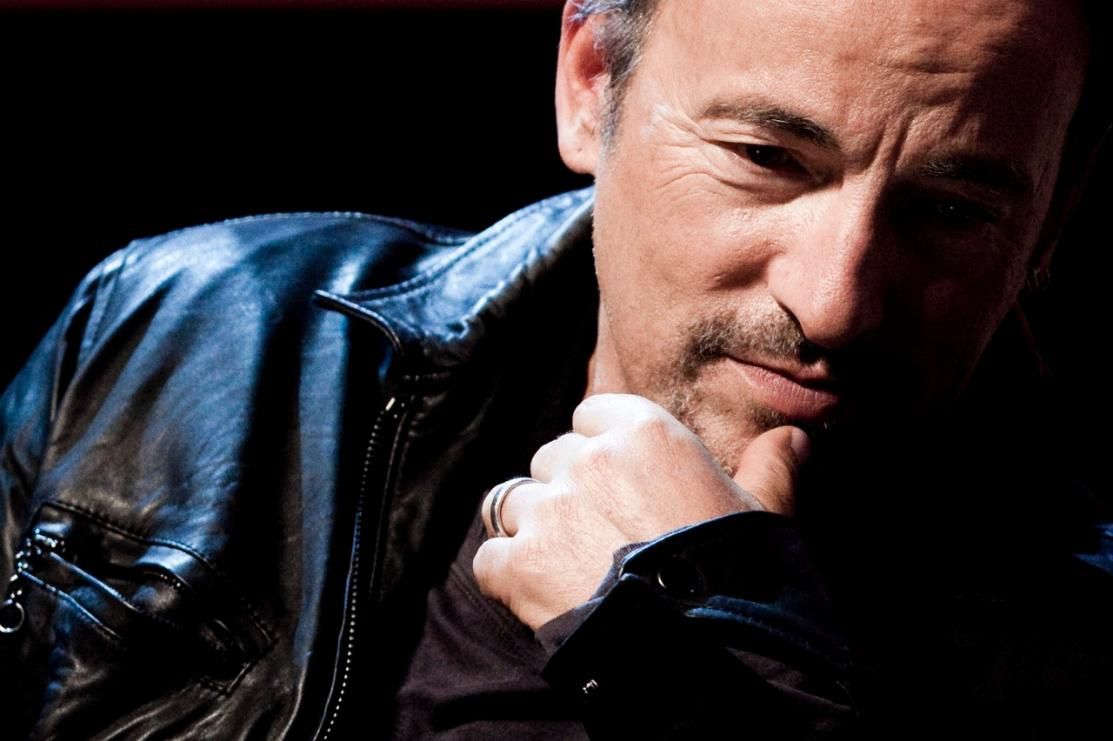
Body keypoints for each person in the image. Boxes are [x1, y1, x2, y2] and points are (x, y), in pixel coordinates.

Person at [2, 0, 1111, 738]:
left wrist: (723, 675)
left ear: (1052, 218)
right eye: (766, 158)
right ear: (591, 83)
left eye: (952, 211)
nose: (835, 301)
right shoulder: (199, 334)